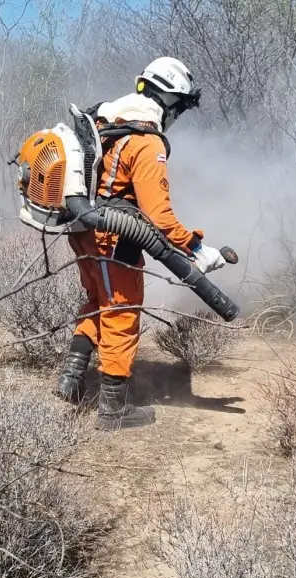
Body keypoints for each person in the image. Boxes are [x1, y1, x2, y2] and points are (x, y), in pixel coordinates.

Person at [53, 57, 227, 429]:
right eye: (179, 106)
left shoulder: (105, 121)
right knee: (121, 312)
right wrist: (196, 248)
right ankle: (113, 409)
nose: (177, 115)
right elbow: (160, 217)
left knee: (97, 303)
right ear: (168, 100)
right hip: (114, 242)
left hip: (83, 233)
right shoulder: (146, 142)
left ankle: (71, 380)